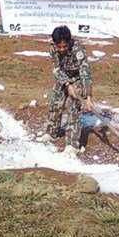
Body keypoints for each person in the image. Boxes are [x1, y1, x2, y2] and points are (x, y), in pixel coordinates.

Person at [37, 25, 95, 156]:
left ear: (69, 42)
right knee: (55, 102)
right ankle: (52, 132)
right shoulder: (53, 46)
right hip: (63, 77)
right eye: (59, 47)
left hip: (78, 78)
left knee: (73, 107)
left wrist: (88, 96)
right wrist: (67, 84)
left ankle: (72, 144)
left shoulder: (78, 48)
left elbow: (85, 72)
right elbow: (56, 68)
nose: (62, 49)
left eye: (65, 46)